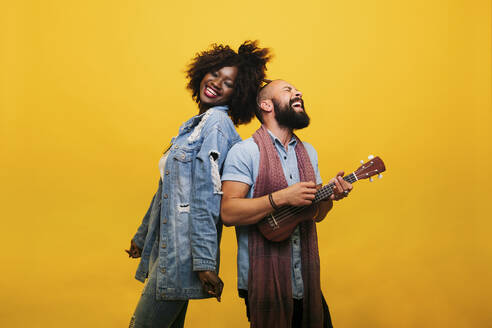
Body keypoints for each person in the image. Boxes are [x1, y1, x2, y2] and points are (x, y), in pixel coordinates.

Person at [125, 41, 271, 328]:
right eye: (214, 73)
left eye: (228, 83)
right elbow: (165, 192)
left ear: (237, 94)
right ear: (201, 72)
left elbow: (207, 197)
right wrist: (142, 237)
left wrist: (204, 263)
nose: (216, 83)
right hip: (166, 249)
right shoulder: (194, 126)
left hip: (182, 256)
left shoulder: (216, 125)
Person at [220, 79, 353, 328]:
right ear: (266, 105)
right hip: (264, 283)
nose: (298, 92)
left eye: (297, 90)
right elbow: (228, 212)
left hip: (306, 279)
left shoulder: (309, 152)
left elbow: (316, 214)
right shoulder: (245, 152)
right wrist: (281, 197)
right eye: (288, 90)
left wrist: (331, 196)